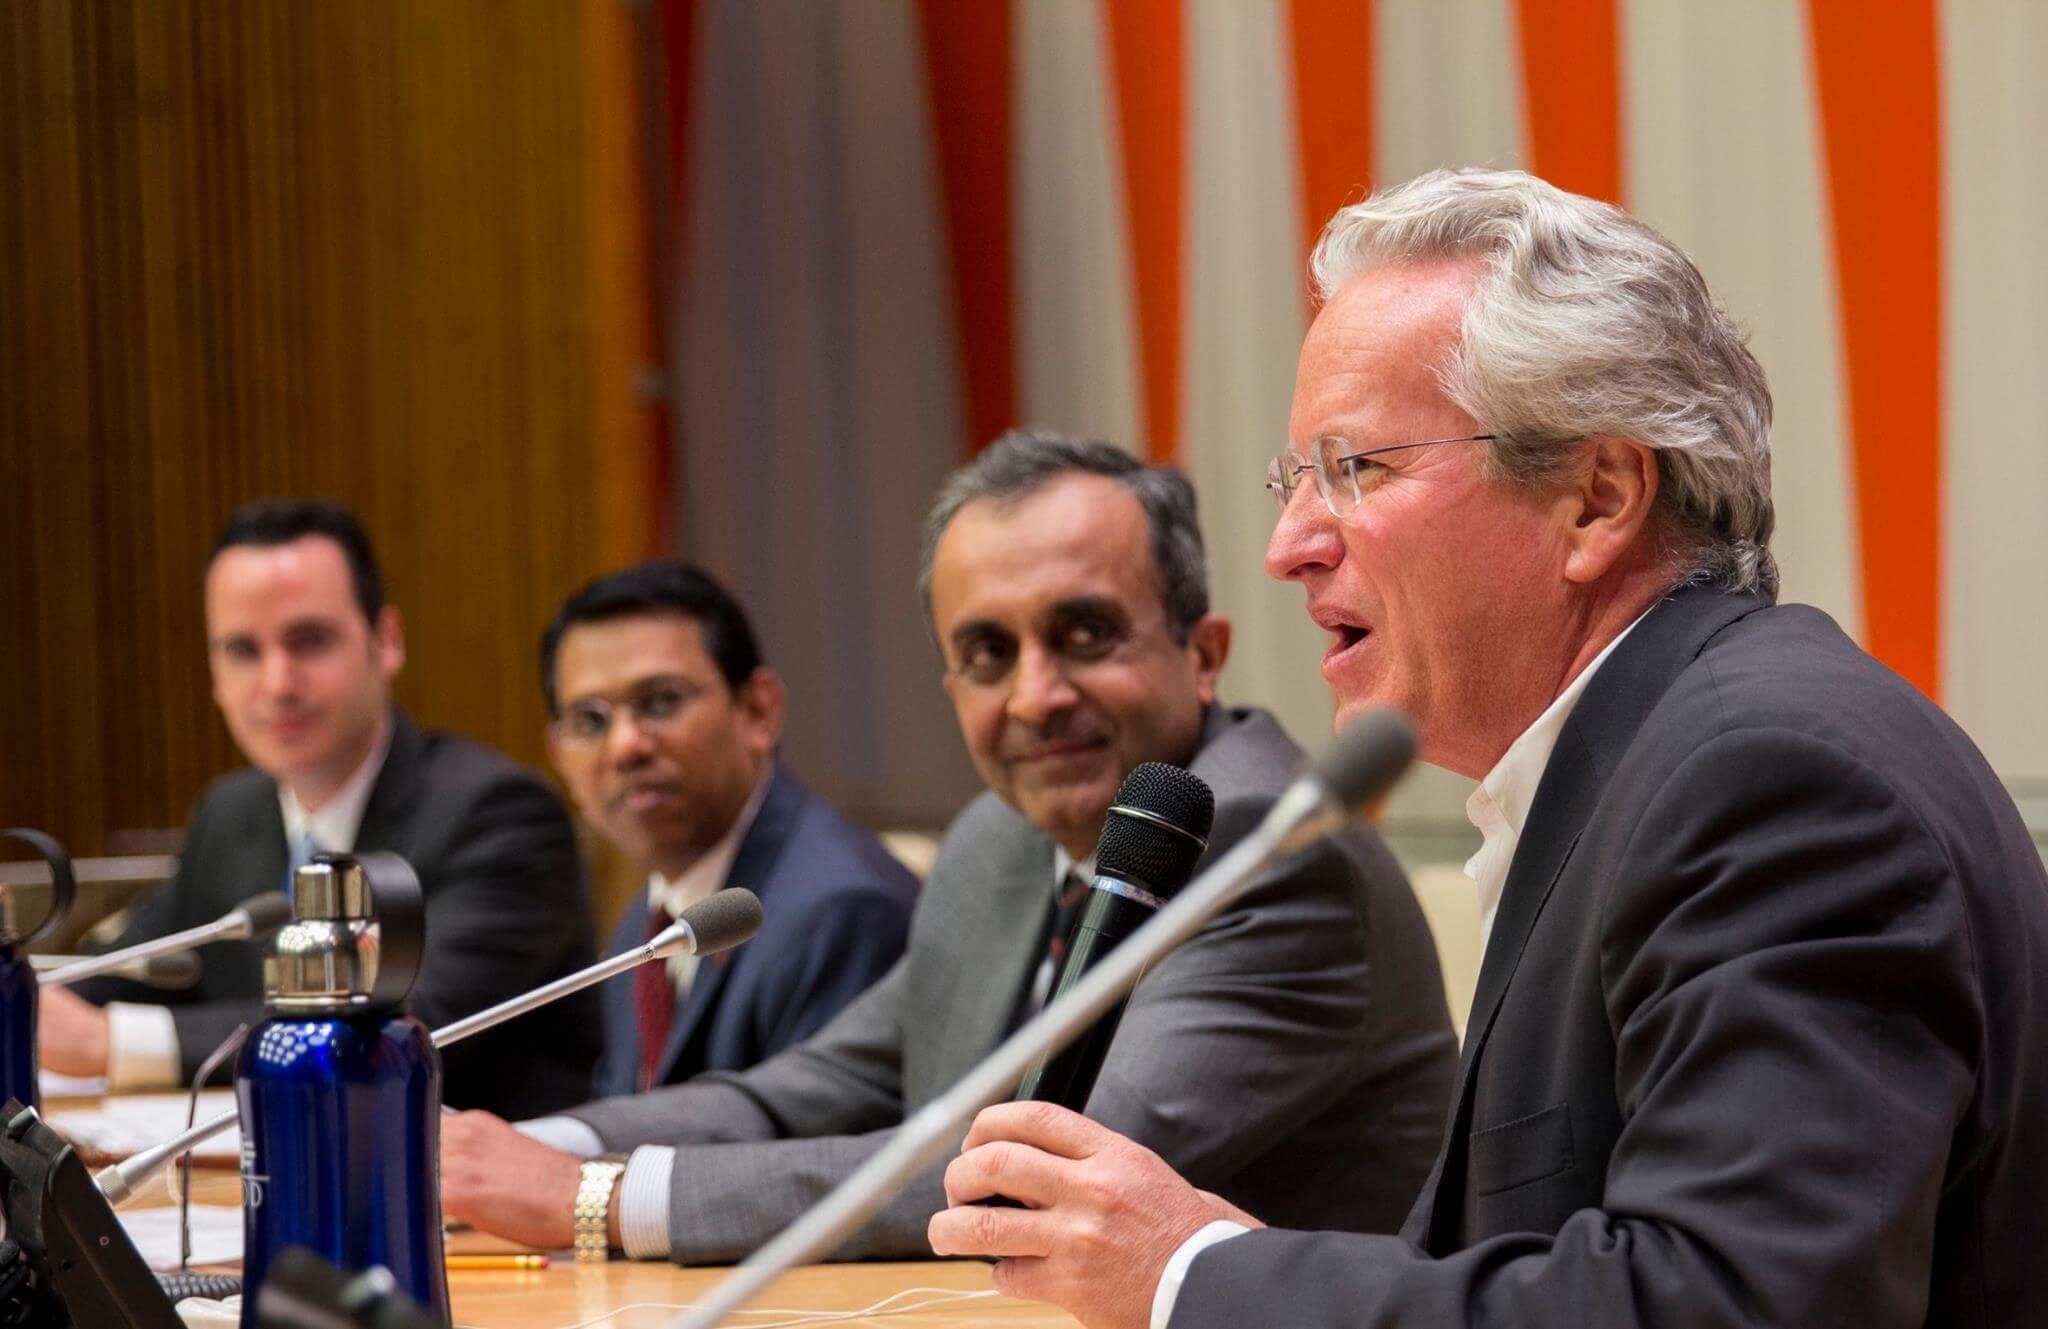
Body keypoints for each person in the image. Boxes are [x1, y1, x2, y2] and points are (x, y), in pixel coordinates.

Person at [927, 169, 2048, 1329]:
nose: (1288, 545)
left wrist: (1191, 1272)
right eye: (1293, 478)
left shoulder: (1766, 782)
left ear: (1594, 498)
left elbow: (1724, 1304)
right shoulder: (1647, 762)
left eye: (1354, 469)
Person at [438, 431, 1456, 1263]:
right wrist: (511, 1153)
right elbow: (809, 1090)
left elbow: (1033, 1169)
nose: (1035, 696)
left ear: (1200, 656)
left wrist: (591, 1199)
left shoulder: (1271, 855)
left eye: (1085, 634)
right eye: (986, 653)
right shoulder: (1000, 841)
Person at [48, 500, 602, 1119]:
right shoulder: (232, 814)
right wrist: (31, 997)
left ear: (385, 642)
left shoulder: (497, 815)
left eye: (308, 641)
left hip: (457, 1200)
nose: (278, 683)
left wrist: (111, 1043)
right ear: (214, 674)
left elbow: (396, 1024)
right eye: (242, 650)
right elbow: (130, 970)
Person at [537, 561, 917, 1098]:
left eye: (661, 701)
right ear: (558, 756)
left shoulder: (841, 912)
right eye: (590, 721)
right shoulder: (641, 929)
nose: (625, 747)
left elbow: (800, 1164)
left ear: (758, 711)